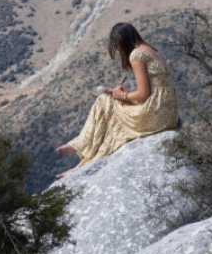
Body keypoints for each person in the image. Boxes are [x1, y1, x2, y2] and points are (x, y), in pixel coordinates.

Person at [56, 22, 178, 175]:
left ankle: (82, 151)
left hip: (156, 115)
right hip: (168, 114)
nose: (118, 50)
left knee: (104, 100)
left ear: (120, 41)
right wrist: (127, 95)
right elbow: (155, 93)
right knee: (113, 101)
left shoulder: (137, 55)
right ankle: (81, 148)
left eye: (116, 45)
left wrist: (123, 95)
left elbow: (144, 94)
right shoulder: (154, 51)